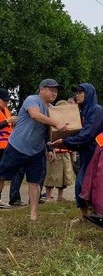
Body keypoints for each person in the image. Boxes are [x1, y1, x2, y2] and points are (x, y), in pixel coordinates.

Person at [0, 79, 68, 220]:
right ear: (41, 89)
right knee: (2, 176)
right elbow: (35, 115)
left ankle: (33, 215)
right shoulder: (32, 100)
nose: (54, 93)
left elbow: (46, 131)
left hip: (36, 151)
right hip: (17, 146)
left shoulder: (51, 108)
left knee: (34, 182)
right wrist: (57, 122)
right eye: (51, 90)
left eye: (56, 91)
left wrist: (50, 148)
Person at [49, 83, 103, 218]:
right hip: (88, 154)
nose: (76, 95)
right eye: (76, 92)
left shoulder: (97, 110)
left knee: (85, 185)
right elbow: (81, 137)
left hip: (100, 155)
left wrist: (66, 141)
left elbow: (87, 135)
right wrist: (63, 142)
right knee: (84, 186)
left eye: (80, 92)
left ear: (88, 94)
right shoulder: (83, 112)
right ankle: (87, 217)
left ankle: (95, 217)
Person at [44, 100, 75, 202]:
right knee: (52, 174)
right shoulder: (50, 121)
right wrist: (49, 149)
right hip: (54, 151)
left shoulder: (71, 122)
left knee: (64, 175)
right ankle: (48, 196)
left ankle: (60, 196)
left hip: (66, 151)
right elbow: (47, 135)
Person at [0, 88, 18, 207]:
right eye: (4, 100)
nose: (6, 103)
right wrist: (7, 121)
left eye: (7, 100)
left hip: (5, 147)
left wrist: (13, 122)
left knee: (2, 175)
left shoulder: (6, 110)